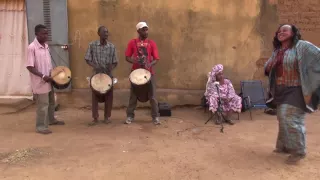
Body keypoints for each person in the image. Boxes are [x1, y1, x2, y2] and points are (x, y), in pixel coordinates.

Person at [264, 24, 320, 164]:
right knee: (282, 117)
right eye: (279, 30)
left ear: (293, 33)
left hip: (297, 89)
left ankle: (298, 151)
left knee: (290, 118)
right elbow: (267, 67)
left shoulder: (302, 46)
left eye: (285, 30)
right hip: (281, 89)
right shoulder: (278, 50)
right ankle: (284, 146)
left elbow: (318, 55)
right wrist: (270, 65)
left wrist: (309, 73)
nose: (281, 32)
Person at [26, 24, 65, 134]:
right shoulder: (32, 48)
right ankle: (41, 127)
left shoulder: (46, 46)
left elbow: (47, 64)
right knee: (42, 105)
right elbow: (29, 66)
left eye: (47, 33)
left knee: (51, 102)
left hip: (49, 80)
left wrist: (54, 74)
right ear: (36, 34)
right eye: (43, 33)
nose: (46, 35)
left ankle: (51, 120)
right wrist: (43, 76)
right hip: (40, 82)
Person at [124, 22, 160, 125]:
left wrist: (149, 64)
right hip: (135, 73)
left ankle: (155, 116)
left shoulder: (151, 43)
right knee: (133, 96)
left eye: (147, 29)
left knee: (152, 96)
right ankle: (130, 116)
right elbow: (127, 57)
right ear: (138, 31)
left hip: (149, 73)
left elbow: (156, 59)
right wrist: (135, 61)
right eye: (144, 30)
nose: (146, 31)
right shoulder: (132, 42)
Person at [85, 26, 118, 126]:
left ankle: (107, 117)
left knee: (109, 96)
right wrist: (95, 66)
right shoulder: (92, 45)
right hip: (96, 75)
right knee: (95, 96)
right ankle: (95, 118)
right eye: (104, 32)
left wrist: (110, 67)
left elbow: (115, 62)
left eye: (107, 32)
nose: (106, 34)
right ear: (98, 33)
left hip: (108, 75)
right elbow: (87, 58)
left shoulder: (112, 47)